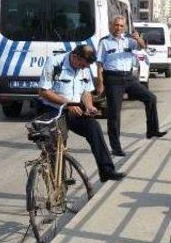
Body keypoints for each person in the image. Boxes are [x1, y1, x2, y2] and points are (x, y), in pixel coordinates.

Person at [38, 44, 125, 182]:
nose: (84, 68)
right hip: (54, 109)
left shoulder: (84, 67)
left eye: (86, 66)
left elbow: (86, 91)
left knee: (94, 127)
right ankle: (58, 186)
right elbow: (44, 92)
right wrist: (67, 103)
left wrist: (89, 106)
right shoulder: (55, 62)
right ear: (74, 57)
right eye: (82, 65)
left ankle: (107, 170)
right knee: (58, 147)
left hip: (74, 109)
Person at [96, 15, 167, 156]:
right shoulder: (104, 42)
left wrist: (138, 38)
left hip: (129, 77)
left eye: (121, 26)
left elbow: (143, 46)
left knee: (150, 98)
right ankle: (116, 148)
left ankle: (152, 130)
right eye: (116, 25)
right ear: (111, 26)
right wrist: (100, 82)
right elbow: (99, 63)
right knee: (114, 114)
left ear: (124, 27)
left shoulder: (129, 40)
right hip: (113, 78)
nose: (119, 28)